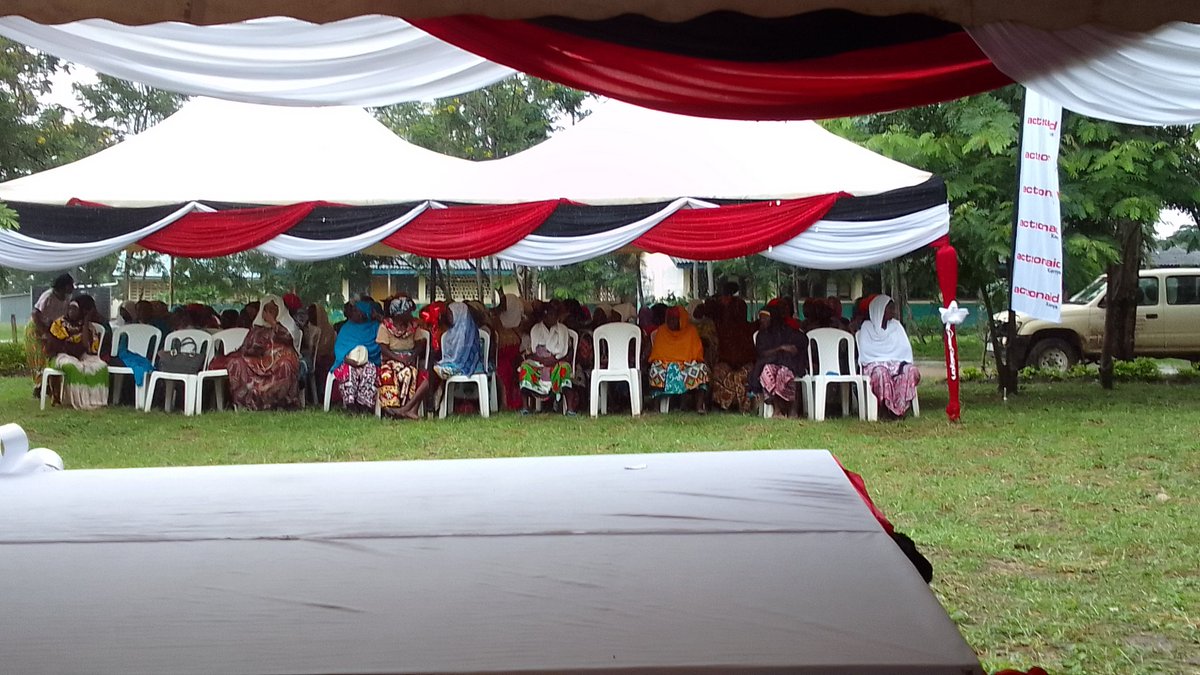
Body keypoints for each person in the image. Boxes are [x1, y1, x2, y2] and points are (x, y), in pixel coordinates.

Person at [225, 295, 301, 411]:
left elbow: (288, 339)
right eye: (267, 310)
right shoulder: (257, 328)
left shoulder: (288, 328)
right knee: (236, 362)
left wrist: (274, 323)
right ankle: (246, 404)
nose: (269, 313)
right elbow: (246, 348)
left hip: (279, 360)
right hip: (257, 362)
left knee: (286, 364)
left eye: (273, 310)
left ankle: (279, 404)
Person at [857, 294, 921, 420]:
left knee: (911, 371)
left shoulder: (896, 325)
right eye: (890, 308)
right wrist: (885, 359)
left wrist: (892, 360)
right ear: (880, 309)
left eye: (893, 308)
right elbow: (867, 351)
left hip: (896, 364)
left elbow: (905, 348)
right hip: (874, 365)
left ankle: (900, 408)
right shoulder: (867, 327)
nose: (893, 311)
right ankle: (885, 409)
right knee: (881, 373)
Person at [44, 295, 108, 410]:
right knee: (73, 366)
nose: (72, 311)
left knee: (101, 366)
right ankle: (79, 400)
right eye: (70, 308)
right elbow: (54, 346)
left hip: (81, 355)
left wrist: (85, 322)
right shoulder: (59, 324)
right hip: (59, 355)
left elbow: (86, 346)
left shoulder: (88, 327)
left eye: (75, 309)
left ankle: (95, 399)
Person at [647, 306, 709, 412]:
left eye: (674, 318)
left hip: (686, 365)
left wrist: (684, 364)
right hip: (665, 365)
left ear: (681, 320)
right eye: (669, 318)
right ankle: (656, 407)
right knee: (655, 370)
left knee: (702, 369)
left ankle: (699, 406)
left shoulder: (691, 331)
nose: (670, 321)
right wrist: (671, 365)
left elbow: (697, 355)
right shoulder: (662, 330)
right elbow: (657, 354)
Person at [750, 305, 808, 417]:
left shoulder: (787, 331)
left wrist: (792, 349)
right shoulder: (762, 335)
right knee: (768, 372)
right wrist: (780, 348)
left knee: (784, 373)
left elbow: (802, 342)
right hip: (770, 363)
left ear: (773, 318)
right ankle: (777, 410)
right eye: (761, 318)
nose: (761, 321)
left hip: (788, 364)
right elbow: (762, 353)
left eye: (765, 318)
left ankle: (792, 409)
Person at [377, 296, 430, 419]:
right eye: (407, 313)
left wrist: (412, 357)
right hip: (390, 360)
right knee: (388, 374)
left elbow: (419, 345)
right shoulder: (385, 326)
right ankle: (391, 408)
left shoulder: (413, 326)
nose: (410, 315)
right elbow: (383, 348)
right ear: (398, 314)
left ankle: (404, 408)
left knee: (409, 372)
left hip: (408, 360)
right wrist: (398, 358)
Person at [518, 303, 577, 414]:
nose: (554, 317)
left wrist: (554, 360)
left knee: (565, 368)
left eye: (555, 314)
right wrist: (542, 360)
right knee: (525, 367)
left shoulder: (563, 329)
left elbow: (567, 352)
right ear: (545, 316)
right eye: (551, 314)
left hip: (557, 361)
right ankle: (525, 407)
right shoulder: (535, 329)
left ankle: (570, 408)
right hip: (539, 363)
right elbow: (530, 352)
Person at [711, 282, 756, 412]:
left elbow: (751, 353)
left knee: (741, 375)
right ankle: (720, 404)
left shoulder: (748, 329)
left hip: (745, 363)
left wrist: (740, 362)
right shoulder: (723, 328)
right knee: (719, 371)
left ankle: (744, 406)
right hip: (727, 362)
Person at [26, 273, 74, 394]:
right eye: (70, 285)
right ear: (63, 286)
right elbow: (35, 313)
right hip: (36, 328)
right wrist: (44, 332)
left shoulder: (67, 299)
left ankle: (49, 385)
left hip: (52, 328)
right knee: (39, 356)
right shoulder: (48, 296)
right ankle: (39, 386)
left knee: (51, 355)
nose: (72, 287)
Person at [331, 300, 381, 413]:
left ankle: (365, 405)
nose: (352, 313)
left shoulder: (375, 327)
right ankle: (350, 405)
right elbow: (339, 348)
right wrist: (348, 359)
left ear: (363, 313)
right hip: (348, 361)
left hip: (369, 361)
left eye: (355, 310)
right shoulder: (347, 327)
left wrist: (363, 360)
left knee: (370, 370)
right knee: (348, 370)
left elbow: (378, 347)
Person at [493, 293, 525, 411]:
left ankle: (508, 402)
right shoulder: (498, 323)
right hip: (504, 362)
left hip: (509, 363)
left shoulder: (521, 326)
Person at [304, 303, 338, 395]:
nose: (311, 316)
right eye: (309, 313)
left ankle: (325, 393)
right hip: (311, 359)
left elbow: (333, 349)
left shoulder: (330, 331)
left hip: (328, 359)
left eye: (313, 313)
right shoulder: (306, 329)